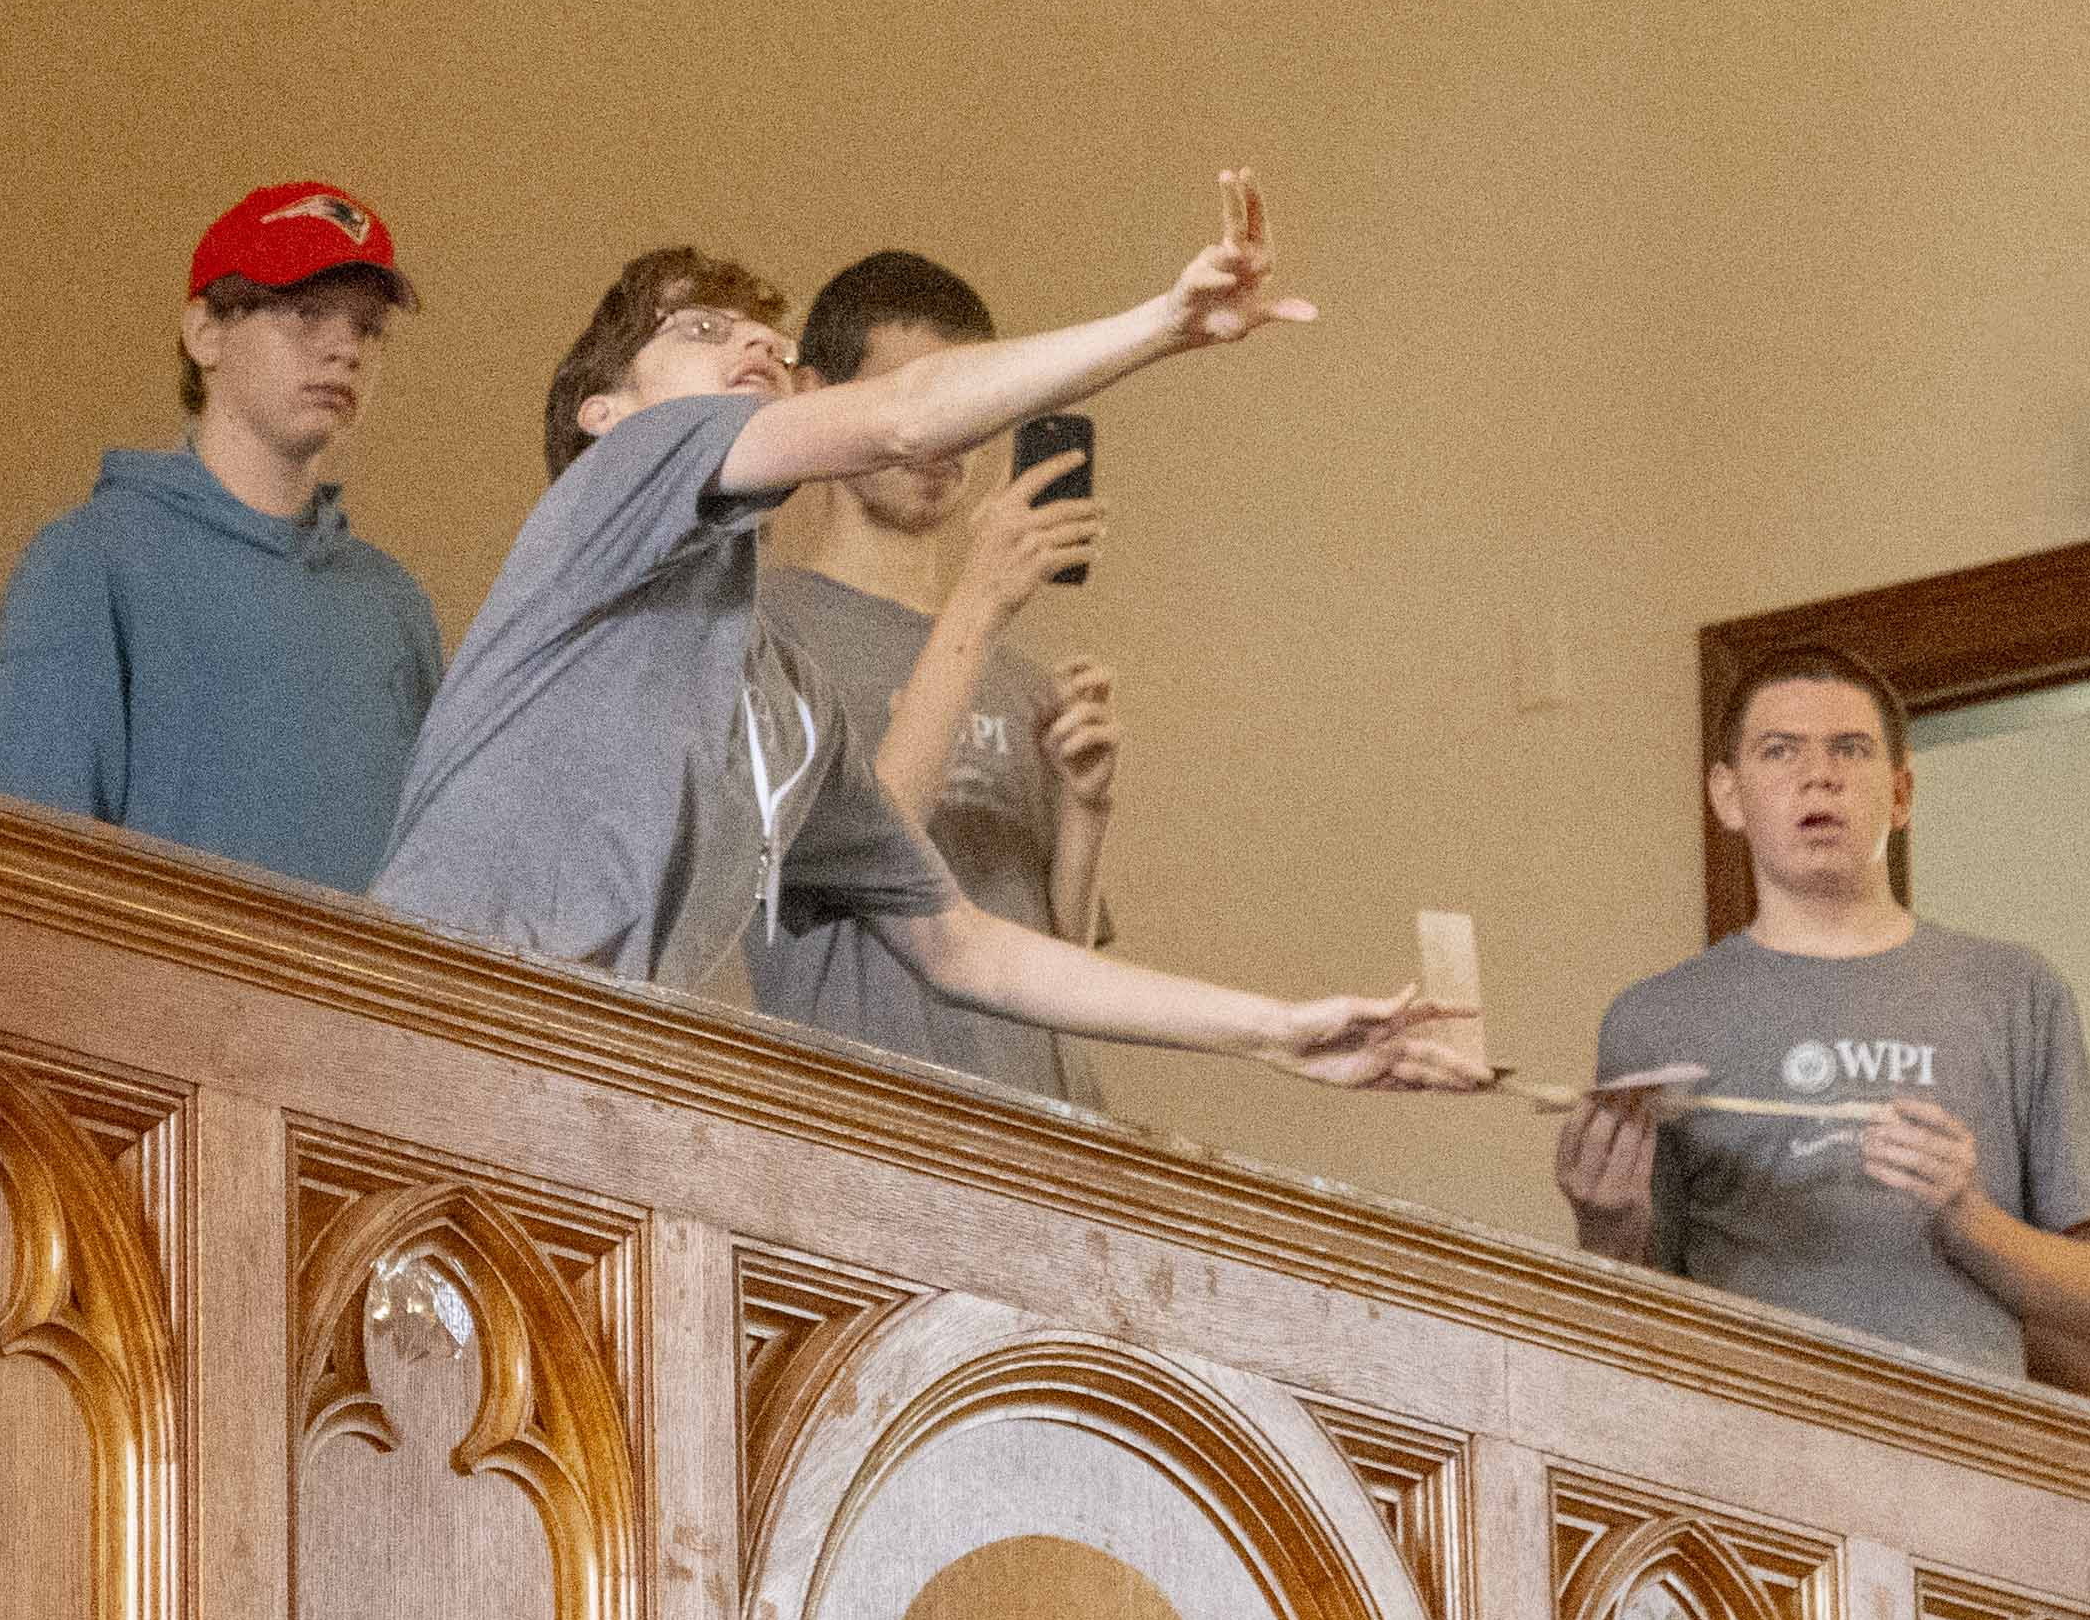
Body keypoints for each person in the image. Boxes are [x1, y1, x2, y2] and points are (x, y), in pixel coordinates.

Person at [369, 181, 1447, 1094]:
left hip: (561, 1073)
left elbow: (957, 941)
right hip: (418, 1025)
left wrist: (1271, 1029)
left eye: (764, 338)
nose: (751, 341)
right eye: (698, 329)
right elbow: (903, 415)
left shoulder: (782, 701)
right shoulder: (619, 478)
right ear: (605, 413)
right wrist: (1163, 324)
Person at [1561, 647, 2090, 1386]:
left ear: (1901, 793)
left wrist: (1968, 1216)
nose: (1819, 774)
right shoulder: (1653, 1019)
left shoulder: (2016, 990)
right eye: (1780, 750)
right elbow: (1634, 1329)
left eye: (1850, 749)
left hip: (1970, 1465)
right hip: (1744, 1459)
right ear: (1728, 795)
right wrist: (1603, 1227)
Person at [0, 180, 442, 887]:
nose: (345, 349)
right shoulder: (91, 562)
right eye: (307, 313)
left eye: (368, 327)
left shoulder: (394, 608)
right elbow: (20, 879)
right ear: (205, 332)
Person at [746, 249, 1115, 1099]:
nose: (949, 436)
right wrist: (978, 605)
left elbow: (1057, 965)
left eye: (971, 403)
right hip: (877, 1131)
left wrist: (1086, 810)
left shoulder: (1015, 673)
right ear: (816, 396)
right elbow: (854, 869)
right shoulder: (763, 626)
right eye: (923, 400)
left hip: (1057, 1139)